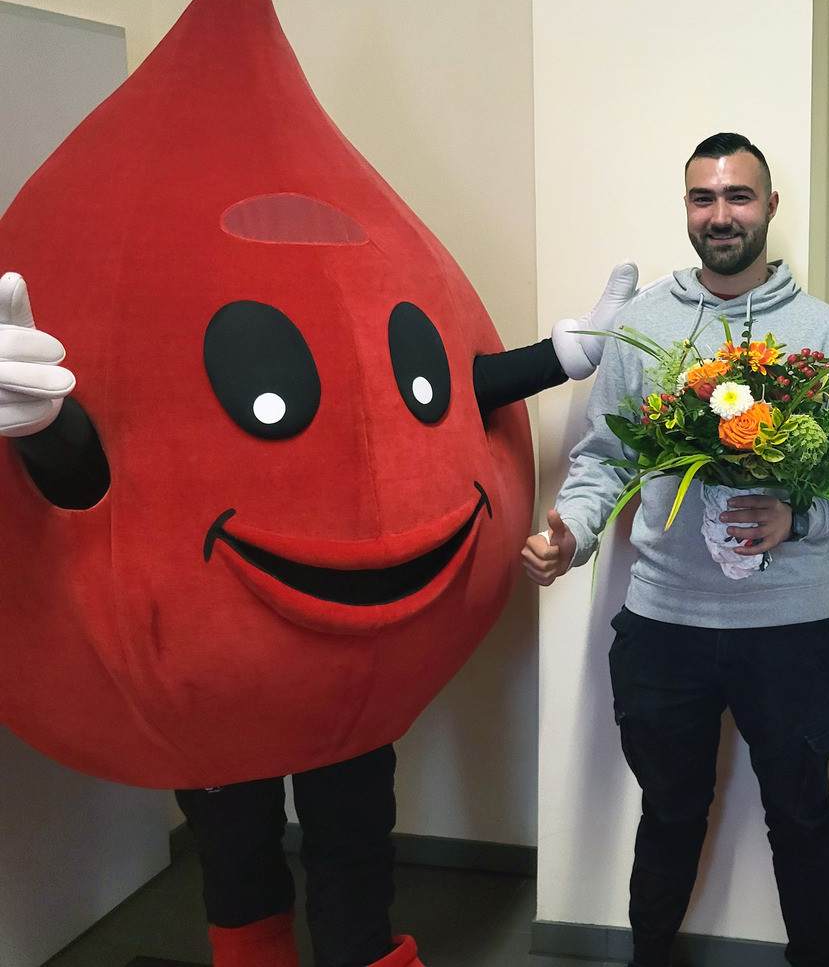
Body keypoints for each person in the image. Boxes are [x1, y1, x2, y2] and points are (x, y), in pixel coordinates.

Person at [0, 263, 636, 967]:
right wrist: (47, 429)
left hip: (350, 659)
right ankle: (253, 949)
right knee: (235, 834)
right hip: (215, 659)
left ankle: (356, 952)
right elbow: (118, 463)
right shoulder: (161, 301)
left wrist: (561, 355)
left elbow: (449, 392)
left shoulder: (342, 277)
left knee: (353, 825)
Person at [523, 132, 829, 967]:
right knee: (671, 810)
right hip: (665, 624)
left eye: (738, 196)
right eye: (703, 198)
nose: (721, 214)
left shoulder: (825, 333)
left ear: (770, 207)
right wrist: (572, 533)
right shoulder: (647, 326)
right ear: (687, 207)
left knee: (800, 816)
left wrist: (797, 518)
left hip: (789, 628)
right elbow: (605, 458)